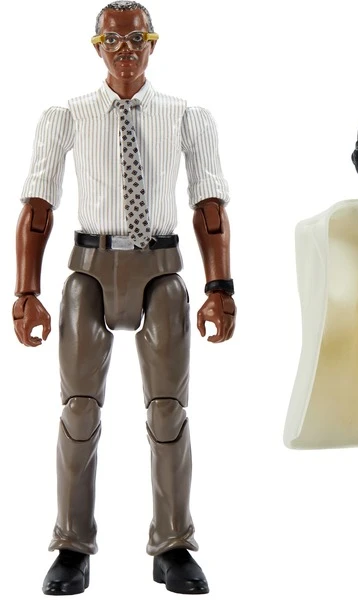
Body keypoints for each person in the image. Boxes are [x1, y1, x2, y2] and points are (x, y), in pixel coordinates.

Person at [13, 1, 235, 594]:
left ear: (153, 43)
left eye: (137, 40)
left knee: (168, 411)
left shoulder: (187, 116)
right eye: (113, 42)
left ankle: (173, 541)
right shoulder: (67, 115)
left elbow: (209, 207)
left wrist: (219, 286)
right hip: (89, 267)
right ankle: (71, 543)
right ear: (96, 47)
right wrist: (27, 291)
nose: (126, 52)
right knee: (78, 410)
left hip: (161, 267)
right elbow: (38, 206)